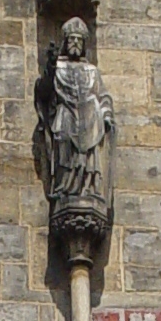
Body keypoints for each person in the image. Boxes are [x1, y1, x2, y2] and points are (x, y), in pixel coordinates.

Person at [35, 18, 114, 203]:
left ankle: (88, 186)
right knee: (63, 144)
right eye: (72, 39)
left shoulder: (92, 71)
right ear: (65, 42)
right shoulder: (58, 68)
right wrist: (50, 68)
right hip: (66, 117)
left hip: (89, 119)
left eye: (79, 40)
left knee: (89, 154)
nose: (76, 43)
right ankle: (64, 186)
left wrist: (107, 114)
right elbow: (45, 91)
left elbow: (103, 96)